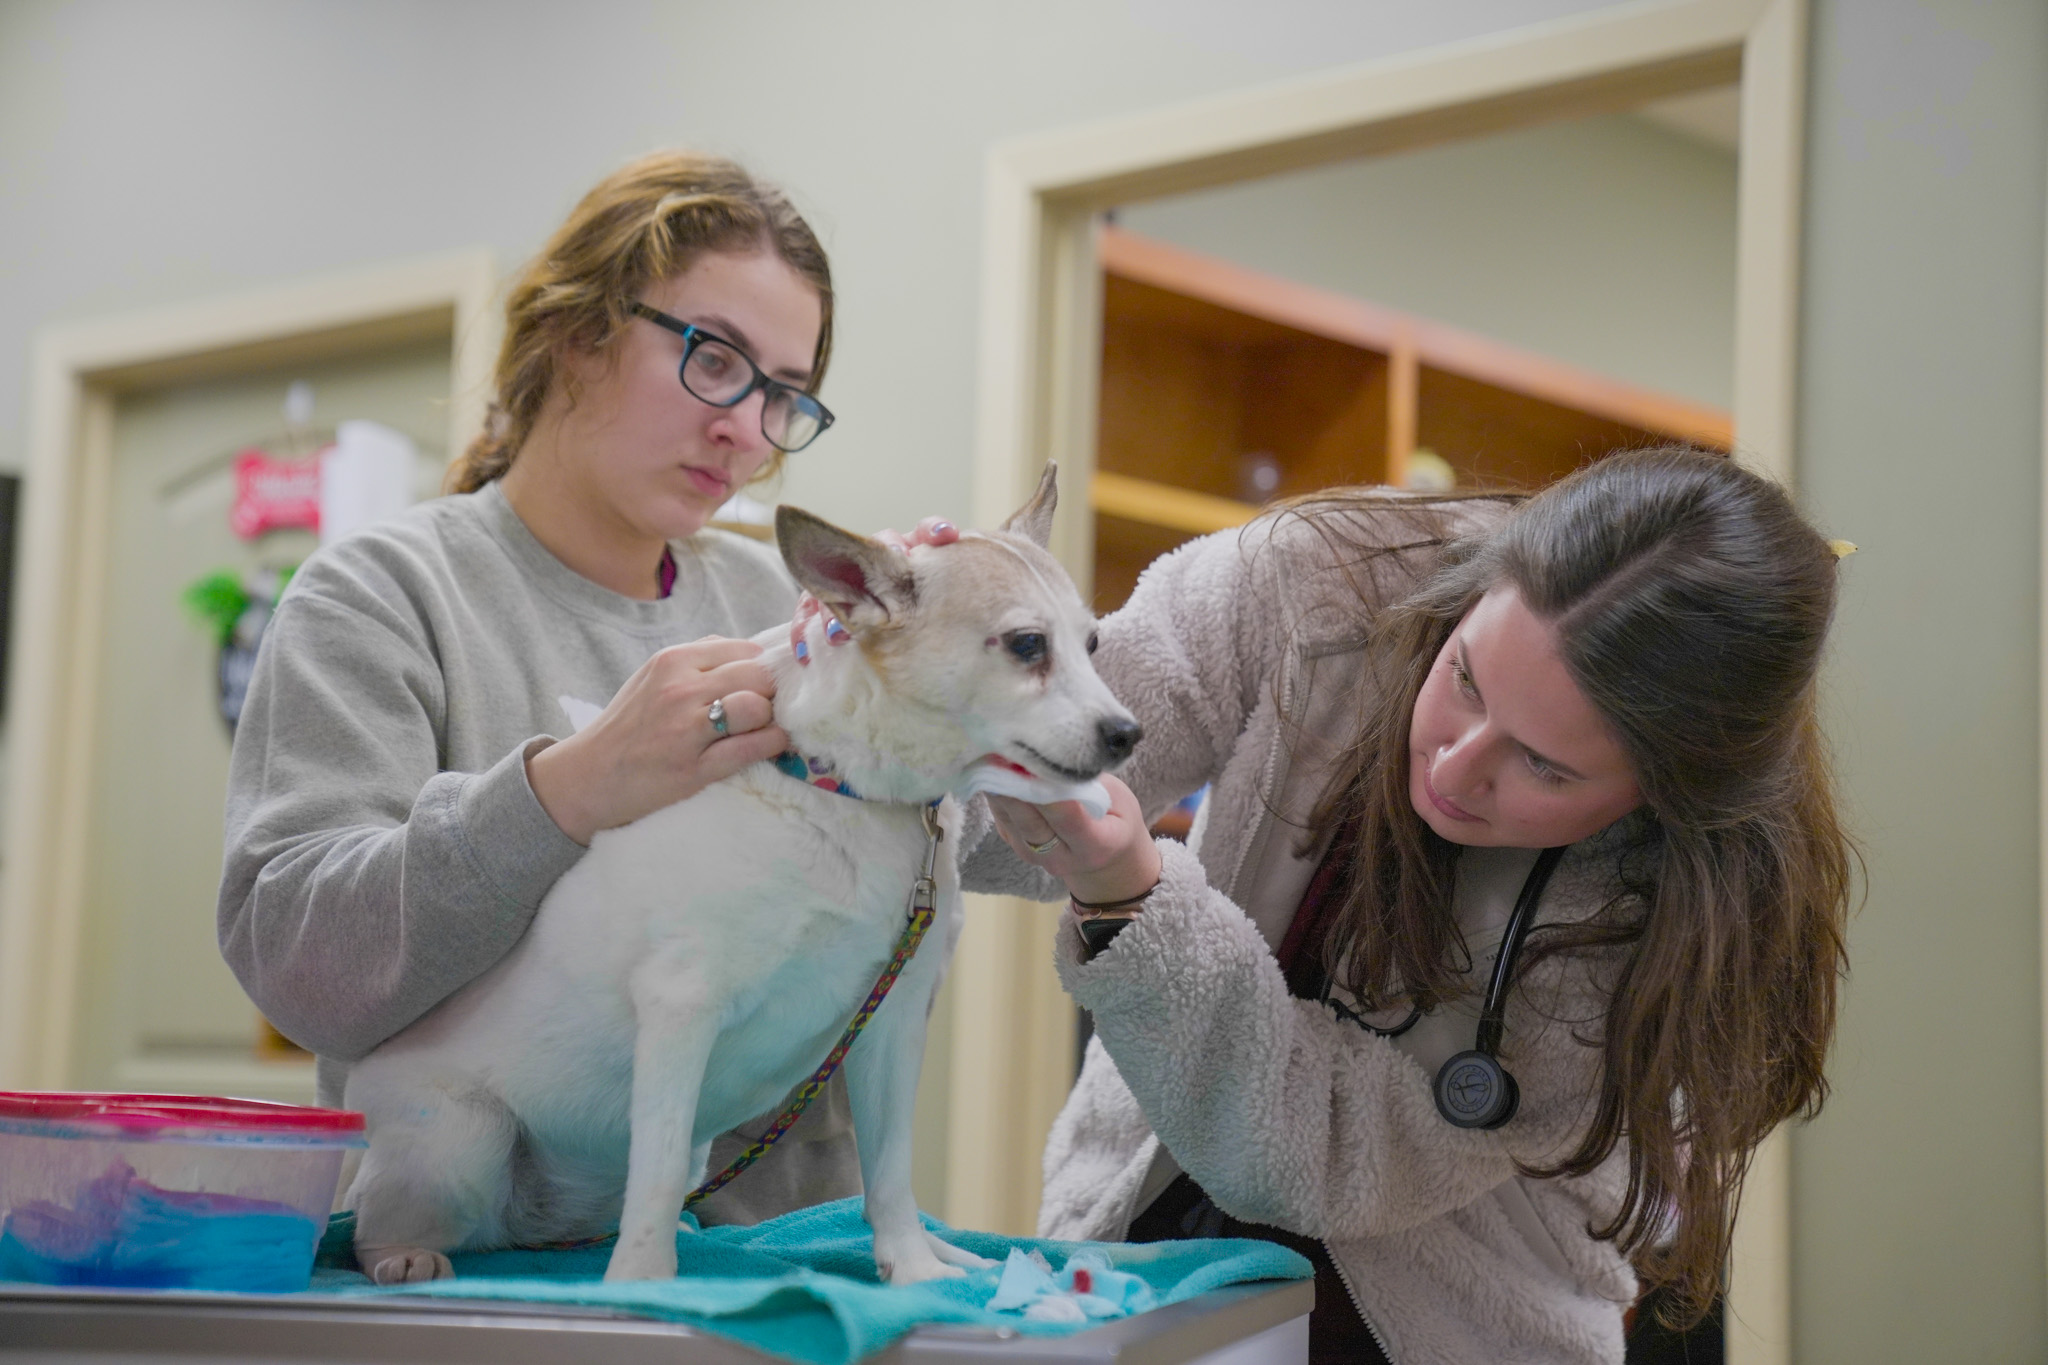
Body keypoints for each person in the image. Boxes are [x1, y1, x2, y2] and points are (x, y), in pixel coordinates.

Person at [965, 448, 1852, 1365]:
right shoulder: (1315, 579)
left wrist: (1135, 902)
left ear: (1664, 799)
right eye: (1465, 678)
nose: (1455, 766)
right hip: (1143, 1254)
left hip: (1443, 1327)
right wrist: (874, 706)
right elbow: (1014, 787)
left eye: (1543, 764)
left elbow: (1313, 1153)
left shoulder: (1657, 916)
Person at [218, 150, 860, 1224]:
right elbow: (301, 965)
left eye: (784, 396)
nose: (746, 430)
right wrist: (565, 793)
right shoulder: (379, 595)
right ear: (576, 332)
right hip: (473, 1272)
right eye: (715, 360)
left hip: (772, 1273)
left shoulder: (783, 607)